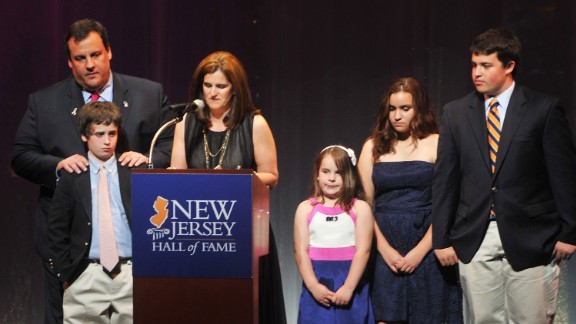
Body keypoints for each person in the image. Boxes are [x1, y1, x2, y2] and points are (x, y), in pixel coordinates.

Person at [11, 18, 174, 323]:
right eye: (80, 58)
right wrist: (56, 166)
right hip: (70, 250)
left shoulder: (148, 95)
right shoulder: (44, 102)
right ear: (69, 62)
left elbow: (171, 146)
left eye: (95, 55)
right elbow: (21, 156)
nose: (89, 65)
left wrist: (149, 160)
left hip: (135, 252)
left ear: (109, 52)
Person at [432, 28, 576, 323]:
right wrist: (441, 238)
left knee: (530, 317)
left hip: (532, 234)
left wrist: (570, 231)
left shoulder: (543, 108)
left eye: (486, 65)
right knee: (483, 318)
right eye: (474, 65)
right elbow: (446, 179)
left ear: (509, 66)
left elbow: (563, 174)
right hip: (475, 233)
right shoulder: (456, 112)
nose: (477, 73)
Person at [170, 51, 285, 323]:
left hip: (244, 230)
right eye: (207, 85)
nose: (212, 93)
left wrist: (237, 179)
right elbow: (176, 177)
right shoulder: (185, 123)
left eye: (221, 86)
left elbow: (272, 175)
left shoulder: (254, 123)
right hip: (197, 232)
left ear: (235, 88)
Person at [357, 77, 463, 323]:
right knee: (385, 315)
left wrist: (421, 250)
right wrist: (384, 249)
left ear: (420, 109)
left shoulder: (437, 142)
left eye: (405, 108)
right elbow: (363, 207)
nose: (397, 116)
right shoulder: (372, 147)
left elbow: (447, 202)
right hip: (384, 244)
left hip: (428, 243)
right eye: (392, 109)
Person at [48, 101, 133, 323]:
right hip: (86, 274)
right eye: (99, 134)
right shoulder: (73, 175)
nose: (107, 141)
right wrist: (66, 273)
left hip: (130, 274)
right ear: (85, 136)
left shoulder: (132, 172)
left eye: (112, 133)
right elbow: (57, 227)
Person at [294, 145, 374, 323]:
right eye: (326, 171)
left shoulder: (360, 208)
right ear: (317, 174)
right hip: (317, 283)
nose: (331, 178)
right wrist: (313, 286)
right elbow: (301, 252)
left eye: (338, 173)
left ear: (349, 176)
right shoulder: (305, 209)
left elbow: (363, 251)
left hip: (350, 283)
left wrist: (349, 287)